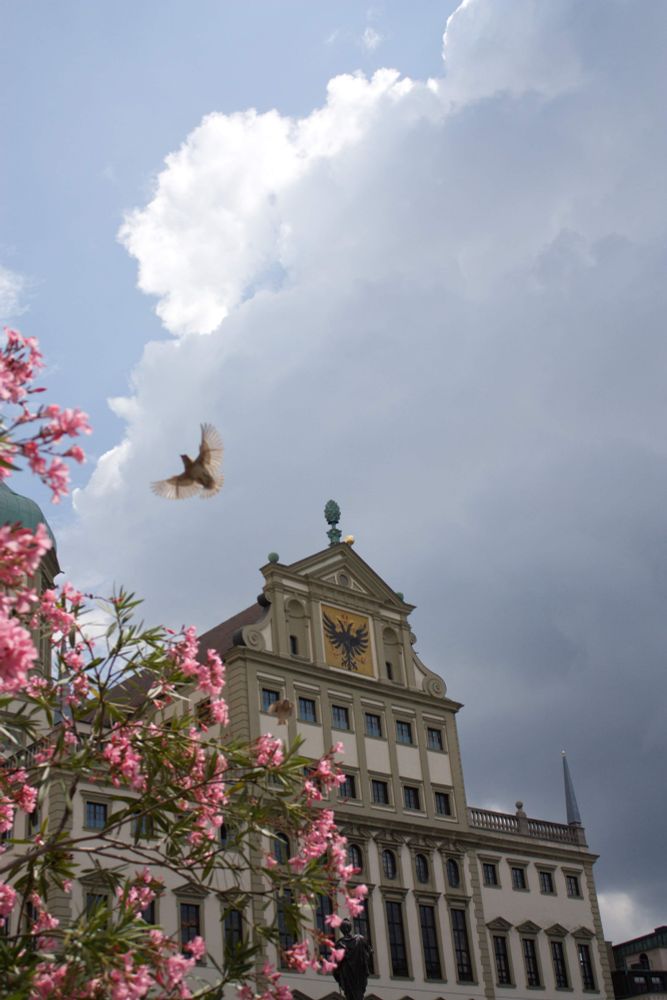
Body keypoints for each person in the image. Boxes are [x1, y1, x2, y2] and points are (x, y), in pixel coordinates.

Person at [332, 918, 373, 1000]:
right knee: (359, 995)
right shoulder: (360, 939)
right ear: (350, 928)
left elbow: (336, 965)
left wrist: (337, 976)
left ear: (341, 930)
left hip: (347, 976)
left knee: (350, 996)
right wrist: (363, 961)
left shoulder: (339, 944)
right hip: (359, 975)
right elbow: (370, 951)